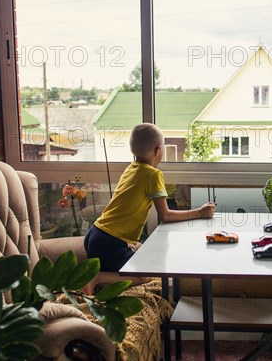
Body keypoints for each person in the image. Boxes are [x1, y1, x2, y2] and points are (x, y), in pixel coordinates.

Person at [83, 123, 216, 293]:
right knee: (143, 276)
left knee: (139, 252)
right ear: (158, 150)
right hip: (110, 242)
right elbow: (165, 215)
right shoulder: (153, 174)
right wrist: (200, 212)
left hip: (95, 234)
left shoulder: (131, 168)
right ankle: (97, 278)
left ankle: (102, 279)